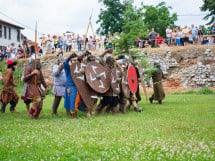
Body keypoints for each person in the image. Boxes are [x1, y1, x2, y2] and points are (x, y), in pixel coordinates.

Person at [22, 54, 49, 119]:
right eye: (37, 60)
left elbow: (42, 80)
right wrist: (32, 74)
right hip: (31, 86)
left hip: (38, 87)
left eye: (39, 60)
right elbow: (24, 79)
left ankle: (36, 114)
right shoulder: (28, 67)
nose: (38, 61)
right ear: (33, 60)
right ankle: (31, 112)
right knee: (38, 100)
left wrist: (46, 87)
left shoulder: (39, 69)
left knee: (40, 102)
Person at [63, 52, 85, 118]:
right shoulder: (68, 68)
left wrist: (83, 72)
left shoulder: (80, 68)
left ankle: (74, 113)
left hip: (77, 86)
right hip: (70, 86)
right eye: (73, 60)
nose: (75, 61)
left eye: (76, 60)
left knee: (76, 99)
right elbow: (64, 63)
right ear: (71, 61)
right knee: (70, 99)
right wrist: (70, 56)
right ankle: (71, 114)